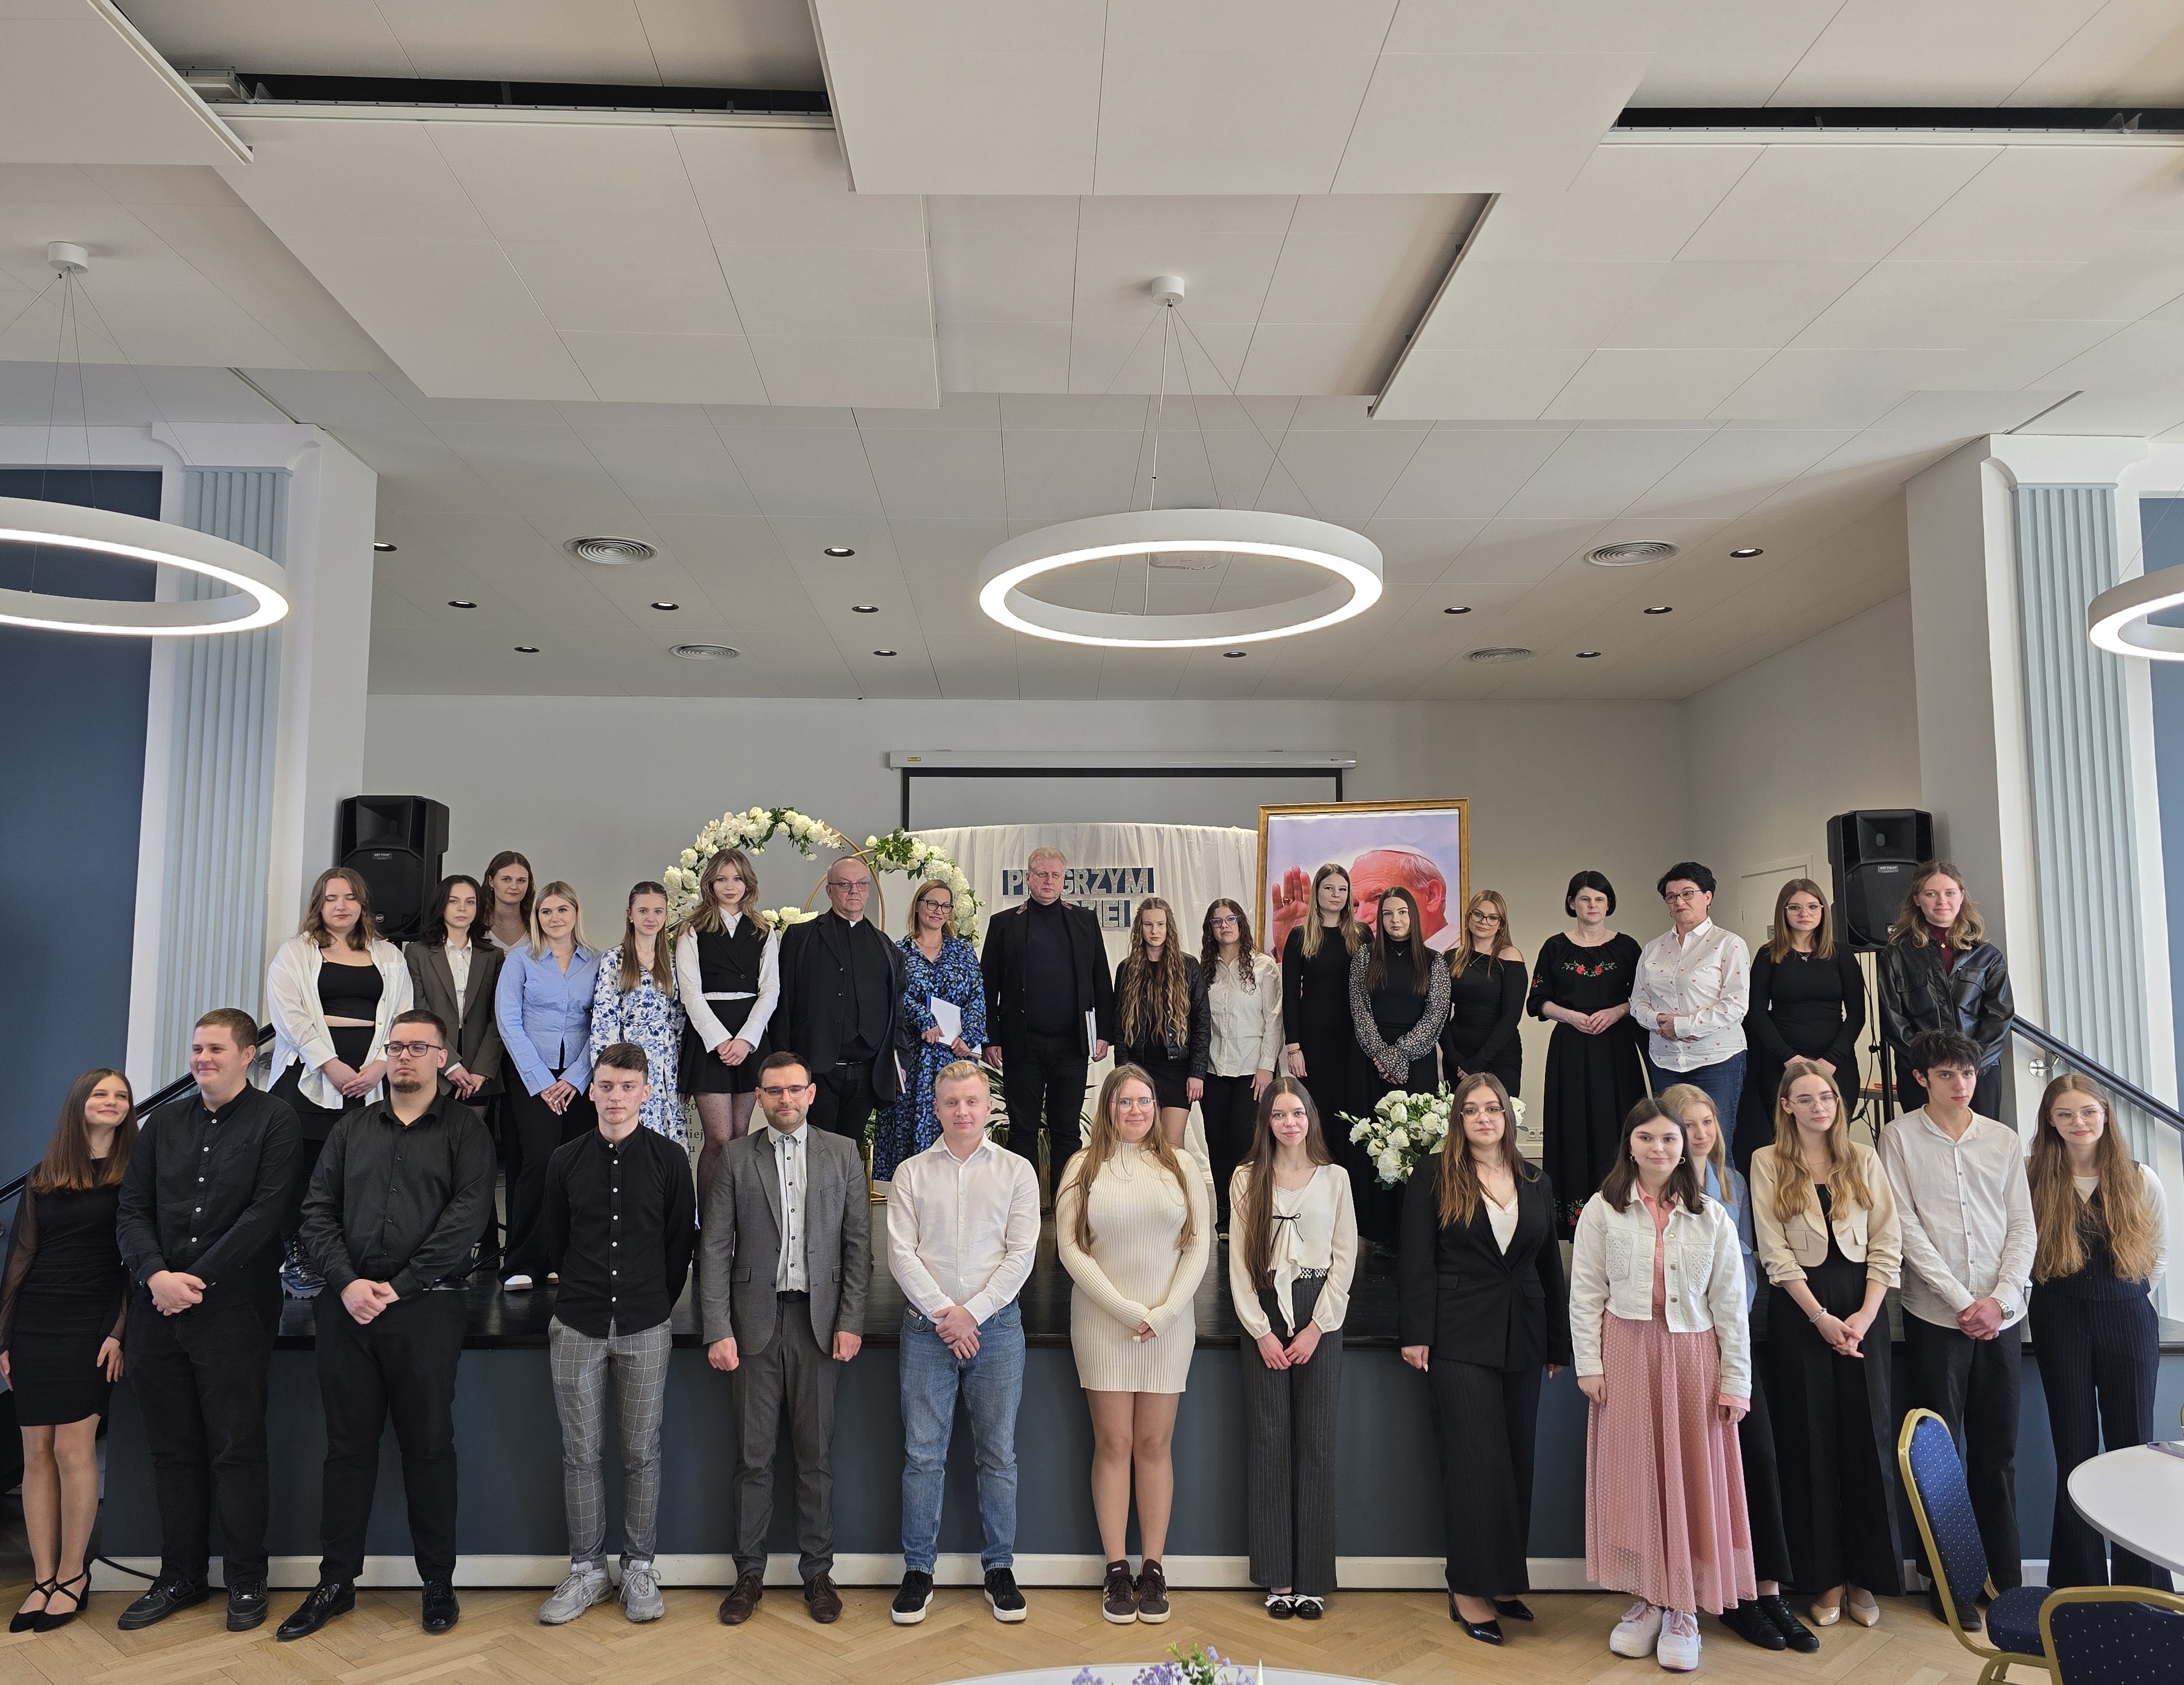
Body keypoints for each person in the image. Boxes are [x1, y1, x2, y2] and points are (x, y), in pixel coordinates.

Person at [278, 1008, 494, 1642]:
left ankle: (438, 1583)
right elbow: (316, 1211)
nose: (404, 1057)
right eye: (396, 1046)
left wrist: (399, 1287)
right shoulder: (351, 1129)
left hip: (426, 1311)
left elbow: (467, 1219)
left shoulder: (466, 1132)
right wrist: (347, 1283)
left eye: (417, 1047)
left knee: (429, 1450)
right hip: (347, 1311)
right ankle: (335, 1583)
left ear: (441, 1059)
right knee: (346, 1451)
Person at [115, 1008, 297, 1634]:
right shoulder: (162, 1123)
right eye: (197, 1048)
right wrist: (156, 1277)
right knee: (172, 1452)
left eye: (216, 1049)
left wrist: (194, 1281)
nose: (202, 1059)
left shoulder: (276, 1120)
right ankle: (181, 1577)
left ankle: (246, 1579)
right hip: (156, 1311)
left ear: (248, 1055)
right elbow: (131, 1210)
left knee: (236, 1448)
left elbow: (266, 1215)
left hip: (234, 1312)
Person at [1570, 1097, 1754, 1674]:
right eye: (1646, 1138)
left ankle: (1683, 1610)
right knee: (1636, 1478)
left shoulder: (1711, 1216)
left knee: (1690, 1478)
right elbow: (1585, 1293)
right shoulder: (1602, 1210)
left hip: (1693, 1358)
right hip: (1625, 1354)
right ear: (1630, 1145)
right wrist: (1589, 1365)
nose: (1658, 1148)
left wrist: (1735, 1383)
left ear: (1684, 1147)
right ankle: (1648, 1598)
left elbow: (1730, 1305)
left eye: (1668, 1139)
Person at [703, 1053, 872, 1628]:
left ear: (811, 1094)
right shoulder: (735, 1157)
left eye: (794, 1089)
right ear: (759, 1097)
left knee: (815, 1458)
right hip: (751, 1325)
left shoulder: (842, 1153)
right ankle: (748, 1574)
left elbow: (858, 1247)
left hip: (819, 1327)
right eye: (774, 1091)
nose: (785, 1100)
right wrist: (718, 1327)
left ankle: (817, 1574)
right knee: (752, 1460)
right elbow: (714, 1249)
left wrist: (851, 1320)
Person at [1398, 1073, 1566, 1646]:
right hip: (1456, 1335)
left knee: (1517, 1460)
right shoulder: (1433, 1174)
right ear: (1458, 1121)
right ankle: (1468, 1587)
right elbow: (1416, 1261)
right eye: (1471, 1110)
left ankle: (1504, 1582)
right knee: (1474, 1462)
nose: (1483, 1118)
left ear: (1507, 1117)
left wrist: (1558, 1343)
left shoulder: (1535, 1179)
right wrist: (1416, 1333)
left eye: (1492, 1108)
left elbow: (1548, 1266)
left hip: (1525, 1335)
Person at [535, 1043, 696, 1627]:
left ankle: (639, 1568)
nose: (616, 1097)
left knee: (641, 1453)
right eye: (606, 1086)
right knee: (580, 1453)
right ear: (592, 1090)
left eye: (628, 1087)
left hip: (646, 1323)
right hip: (576, 1323)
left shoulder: (671, 1160)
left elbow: (679, 1246)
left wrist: (653, 1302)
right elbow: (554, 1240)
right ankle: (586, 1571)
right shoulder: (565, 1161)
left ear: (646, 1093)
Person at [1880, 1027, 2036, 1620]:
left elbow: (2021, 1227)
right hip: (1934, 1316)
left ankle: (2007, 1581)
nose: (1960, 1084)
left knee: (1997, 1452)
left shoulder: (2002, 1140)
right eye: (1946, 1074)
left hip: (2001, 1317)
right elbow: (1904, 1227)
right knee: (1938, 1455)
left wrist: (1998, 1299)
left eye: (1967, 1073)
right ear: (1921, 1079)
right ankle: (1950, 1586)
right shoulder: (1897, 1138)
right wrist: (1960, 1300)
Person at [1663, 1083, 1818, 1656]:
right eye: (1688, 1123)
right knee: (1706, 1473)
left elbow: (1747, 1265)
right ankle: (1726, 1597)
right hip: (1683, 1346)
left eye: (1707, 1121)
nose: (1701, 1133)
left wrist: (1736, 1332)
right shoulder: (1656, 1190)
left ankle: (1768, 1589)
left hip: (1737, 1342)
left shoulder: (1733, 1182)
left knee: (1760, 1460)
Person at [1748, 1064, 1903, 1632]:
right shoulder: (1767, 1161)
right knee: (1808, 1442)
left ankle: (1865, 1577)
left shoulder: (1862, 1157)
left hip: (1863, 1308)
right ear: (1786, 1106)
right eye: (1806, 1099)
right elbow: (1772, 1250)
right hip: (1800, 1311)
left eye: (1828, 1097)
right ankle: (1824, 1577)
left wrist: (1864, 1315)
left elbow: (1887, 1239)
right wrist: (1818, 1317)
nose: (1820, 1107)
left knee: (1868, 1440)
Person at [1055, 1065, 1212, 1627]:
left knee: (1153, 1444)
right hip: (1104, 1324)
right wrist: (1125, 1311)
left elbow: (1198, 1246)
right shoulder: (1082, 1166)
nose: (1136, 1111)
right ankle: (1117, 1569)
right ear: (1107, 1108)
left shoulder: (1181, 1165)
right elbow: (1071, 1249)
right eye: (1124, 1102)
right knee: (1114, 1443)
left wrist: (1164, 1314)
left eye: (1144, 1101)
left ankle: (1153, 1568)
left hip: (1168, 1326)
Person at [886, 1060, 1039, 1626]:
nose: (963, 1111)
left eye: (972, 1101)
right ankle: (917, 1571)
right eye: (951, 1102)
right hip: (926, 1332)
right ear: (936, 1108)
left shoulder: (1017, 1171)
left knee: (997, 1455)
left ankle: (999, 1568)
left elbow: (1021, 1254)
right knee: (922, 1456)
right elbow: (900, 1254)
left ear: (987, 1105)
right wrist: (946, 1315)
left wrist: (970, 1314)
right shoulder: (910, 1173)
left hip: (995, 1331)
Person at [0, 1070, 135, 1633]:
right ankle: (43, 1578)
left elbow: (136, 1261)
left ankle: (74, 1576)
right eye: (101, 1094)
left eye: (121, 1096)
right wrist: (5, 1337)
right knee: (35, 1453)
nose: (111, 1102)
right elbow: (20, 1258)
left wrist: (118, 1332)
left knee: (72, 1451)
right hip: (36, 1322)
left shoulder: (136, 1174)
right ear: (80, 1104)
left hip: (92, 1323)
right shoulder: (45, 1176)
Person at [2026, 1073, 2172, 1590]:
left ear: (2105, 1115)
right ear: (2049, 1121)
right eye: (2065, 1114)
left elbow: (2157, 1254)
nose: (2078, 1122)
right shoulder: (2031, 1177)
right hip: (2057, 1319)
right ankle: (2077, 1587)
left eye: (2088, 1111)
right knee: (2074, 1451)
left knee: (2133, 1452)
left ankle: (2144, 1589)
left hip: (2127, 1319)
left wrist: (2124, 1296)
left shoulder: (2139, 1178)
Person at [1229, 1078, 1357, 1622]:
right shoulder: (1245, 1178)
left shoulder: (1334, 1178)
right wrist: (1260, 1330)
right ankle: (1277, 1573)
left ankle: (1312, 1577)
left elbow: (1345, 1258)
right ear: (1266, 1122)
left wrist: (1316, 1328)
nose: (1289, 1123)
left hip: (1317, 1310)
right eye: (1279, 1114)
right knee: (1269, 1442)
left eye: (1297, 1113)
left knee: (1316, 1443)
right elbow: (1238, 1262)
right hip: (1263, 1309)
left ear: (1310, 1119)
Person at [266, 866, 413, 1297]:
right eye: (331, 898)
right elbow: (289, 1015)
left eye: (350, 897)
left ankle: (342, 1257)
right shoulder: (296, 952)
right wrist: (329, 1063)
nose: (341, 906)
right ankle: (299, 1255)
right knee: (302, 1172)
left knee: (355, 1173)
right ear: (319, 905)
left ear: (362, 904)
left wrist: (381, 1065)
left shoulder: (389, 955)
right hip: (308, 1079)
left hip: (370, 1081)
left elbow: (402, 1014)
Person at [981, 848, 1116, 1191]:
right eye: (1042, 874)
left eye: (1056, 875)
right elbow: (988, 988)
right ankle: (1024, 1206)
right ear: (1028, 878)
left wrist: (1103, 1032)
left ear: (1064, 880)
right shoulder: (1003, 924)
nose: (1049, 881)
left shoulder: (1084, 921)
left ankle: (1066, 1206)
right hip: (1021, 1045)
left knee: (1067, 1132)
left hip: (1072, 1045)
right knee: (1022, 1131)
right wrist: (991, 1039)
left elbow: (1101, 980)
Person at [496, 881, 602, 1291]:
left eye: (562, 910)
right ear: (536, 917)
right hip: (531, 1076)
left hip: (580, 1079)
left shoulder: (597, 961)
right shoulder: (520, 959)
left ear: (576, 913)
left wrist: (575, 1078)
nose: (554, 918)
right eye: (546, 911)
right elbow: (508, 1020)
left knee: (576, 1167)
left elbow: (602, 1022)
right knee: (539, 1161)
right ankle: (523, 1261)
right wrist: (542, 1082)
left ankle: (565, 1258)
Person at [1530, 872, 1646, 1233]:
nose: (1592, 905)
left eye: (1599, 899)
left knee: (1619, 1124)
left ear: (1609, 904)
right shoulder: (1554, 947)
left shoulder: (1628, 947)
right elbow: (1537, 1001)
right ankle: (1576, 1221)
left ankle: (1625, 1211)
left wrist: (1616, 1011)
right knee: (1573, 1125)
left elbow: (1644, 998)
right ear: (1572, 903)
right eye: (1584, 899)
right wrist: (1570, 1016)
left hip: (1616, 1049)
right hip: (1570, 1049)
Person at [406, 875, 507, 1270]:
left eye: (470, 902)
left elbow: (499, 1018)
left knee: (474, 1163)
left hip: (480, 1073)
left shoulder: (494, 955)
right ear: (441, 906)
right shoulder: (418, 953)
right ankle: (442, 1254)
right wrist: (451, 1064)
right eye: (454, 901)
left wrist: (479, 1070)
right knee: (435, 1161)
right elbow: (419, 1011)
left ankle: (482, 1247)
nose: (463, 908)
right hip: (436, 1066)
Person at [777, 855, 911, 1144]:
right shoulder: (800, 938)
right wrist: (781, 1064)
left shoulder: (887, 947)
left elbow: (896, 1011)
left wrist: (900, 1058)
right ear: (830, 890)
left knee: (850, 1152)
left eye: (862, 884)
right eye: (845, 884)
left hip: (866, 1072)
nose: (854, 891)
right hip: (815, 1069)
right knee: (813, 1151)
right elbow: (783, 1005)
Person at [1735, 880, 1864, 1174]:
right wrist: (1789, 1058)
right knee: (1788, 1146)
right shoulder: (1768, 955)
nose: (1804, 914)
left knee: (1835, 1142)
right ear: (1783, 912)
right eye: (1795, 907)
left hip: (1836, 1063)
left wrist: (1832, 1060)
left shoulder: (1841, 955)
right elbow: (1756, 1013)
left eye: (1812, 907)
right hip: (1780, 1064)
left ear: (1823, 911)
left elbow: (1857, 1014)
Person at [674, 848, 779, 1197]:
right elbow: (690, 992)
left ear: (748, 883)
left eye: (737, 879)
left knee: (739, 1137)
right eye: (721, 879)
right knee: (719, 1139)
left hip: (750, 1035)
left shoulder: (763, 930)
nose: (730, 886)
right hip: (709, 1037)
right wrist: (720, 1040)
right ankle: (708, 1223)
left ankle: (736, 1219)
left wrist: (747, 1039)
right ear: (710, 884)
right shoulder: (692, 929)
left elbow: (771, 990)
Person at [1348, 886, 1450, 1245]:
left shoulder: (1435, 961)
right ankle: (1379, 1232)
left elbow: (1436, 1016)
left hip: (1417, 1061)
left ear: (1414, 916)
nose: (1395, 920)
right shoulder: (1364, 957)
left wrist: (1399, 1057)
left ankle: (1413, 1233)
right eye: (1388, 913)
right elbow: (1360, 1011)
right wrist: (1382, 1056)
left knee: (1414, 1145)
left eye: (1402, 912)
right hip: (1370, 1059)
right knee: (1375, 1143)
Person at [1630, 862, 1750, 1156]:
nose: (1679, 902)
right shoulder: (1653, 948)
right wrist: (1659, 1020)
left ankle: (1720, 1191)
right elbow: (1638, 1002)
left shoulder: (1728, 944)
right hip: (1666, 1061)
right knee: (1670, 1146)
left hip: (1717, 1060)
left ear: (1708, 896)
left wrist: (1682, 1026)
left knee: (1714, 1148)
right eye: (1671, 897)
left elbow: (1736, 1004)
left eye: (1688, 894)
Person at [1878, 862, 2014, 1121]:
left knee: (1979, 1143)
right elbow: (1893, 1020)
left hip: (1979, 1074)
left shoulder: (1987, 956)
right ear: (1917, 899)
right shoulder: (1895, 955)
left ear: (1961, 896)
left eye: (1950, 893)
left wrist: (1968, 1067)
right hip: (1920, 1075)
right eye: (1931, 894)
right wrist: (1930, 1067)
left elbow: (2000, 1016)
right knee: (1925, 1142)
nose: (1942, 901)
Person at [873, 878, 988, 1182]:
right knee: (912, 1130)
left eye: (945, 906)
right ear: (918, 906)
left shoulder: (963, 950)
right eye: (932, 903)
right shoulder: (898, 950)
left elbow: (977, 996)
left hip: (956, 1057)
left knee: (957, 1122)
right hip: (915, 1056)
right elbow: (892, 996)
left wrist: (970, 1037)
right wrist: (923, 1018)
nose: (939, 911)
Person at [1279, 865, 1366, 1208]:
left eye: (1342, 889)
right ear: (1317, 893)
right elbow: (1290, 996)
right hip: (1312, 1045)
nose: (1336, 895)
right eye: (1329, 888)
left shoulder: (1362, 935)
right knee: (1317, 1118)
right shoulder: (1300, 936)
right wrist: (1294, 1047)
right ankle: (1315, 1199)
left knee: (1351, 1117)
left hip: (1354, 1043)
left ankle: (1349, 1201)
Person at [1201, 898, 1281, 1233]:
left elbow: (1274, 1020)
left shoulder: (1263, 966)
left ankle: (1250, 1218)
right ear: (1210, 929)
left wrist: (1267, 1067)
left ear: (1241, 923)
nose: (1225, 926)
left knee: (1246, 1146)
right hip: (1213, 1071)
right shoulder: (1204, 969)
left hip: (1252, 1072)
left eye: (1230, 919)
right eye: (1217, 921)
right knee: (1218, 1147)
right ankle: (1226, 1220)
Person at [587, 881, 687, 1144]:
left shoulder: (673, 961)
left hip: (666, 1061)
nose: (651, 918)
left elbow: (678, 1018)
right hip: (628, 1055)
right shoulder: (615, 959)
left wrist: (682, 1070)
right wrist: (607, 1072)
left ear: (666, 916)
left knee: (665, 1132)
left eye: (658, 911)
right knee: (631, 1125)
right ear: (630, 914)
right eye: (643, 911)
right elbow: (604, 1018)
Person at [1112, 896, 1211, 1147]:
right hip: (1140, 1068)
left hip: (1177, 1069)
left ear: (1169, 928)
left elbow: (1202, 1022)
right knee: (1141, 1143)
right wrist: (1123, 1070)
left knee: (1172, 1145)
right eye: (1148, 925)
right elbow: (1119, 1025)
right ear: (1140, 928)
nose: (1154, 931)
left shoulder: (1188, 966)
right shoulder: (1127, 969)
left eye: (1160, 925)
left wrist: (1197, 1072)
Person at [1440, 890, 1526, 1098]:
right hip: (1458, 1057)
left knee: (1498, 1116)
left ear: (1501, 924)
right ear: (1469, 916)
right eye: (1478, 914)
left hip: (1498, 1056)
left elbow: (1511, 1016)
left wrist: (1477, 1063)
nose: (1484, 922)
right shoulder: (1451, 958)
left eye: (1492, 918)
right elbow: (1440, 1013)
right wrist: (1452, 1056)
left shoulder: (1510, 957)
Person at [1348, 847, 1454, 949]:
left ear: (1432, 896)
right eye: (1354, 904)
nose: (1360, 918)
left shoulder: (1458, 954)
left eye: (1378, 897)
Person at [482, 849, 535, 953]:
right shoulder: (475, 923)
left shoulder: (539, 924)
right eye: (506, 879)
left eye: (521, 881)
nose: (514, 887)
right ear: (491, 881)